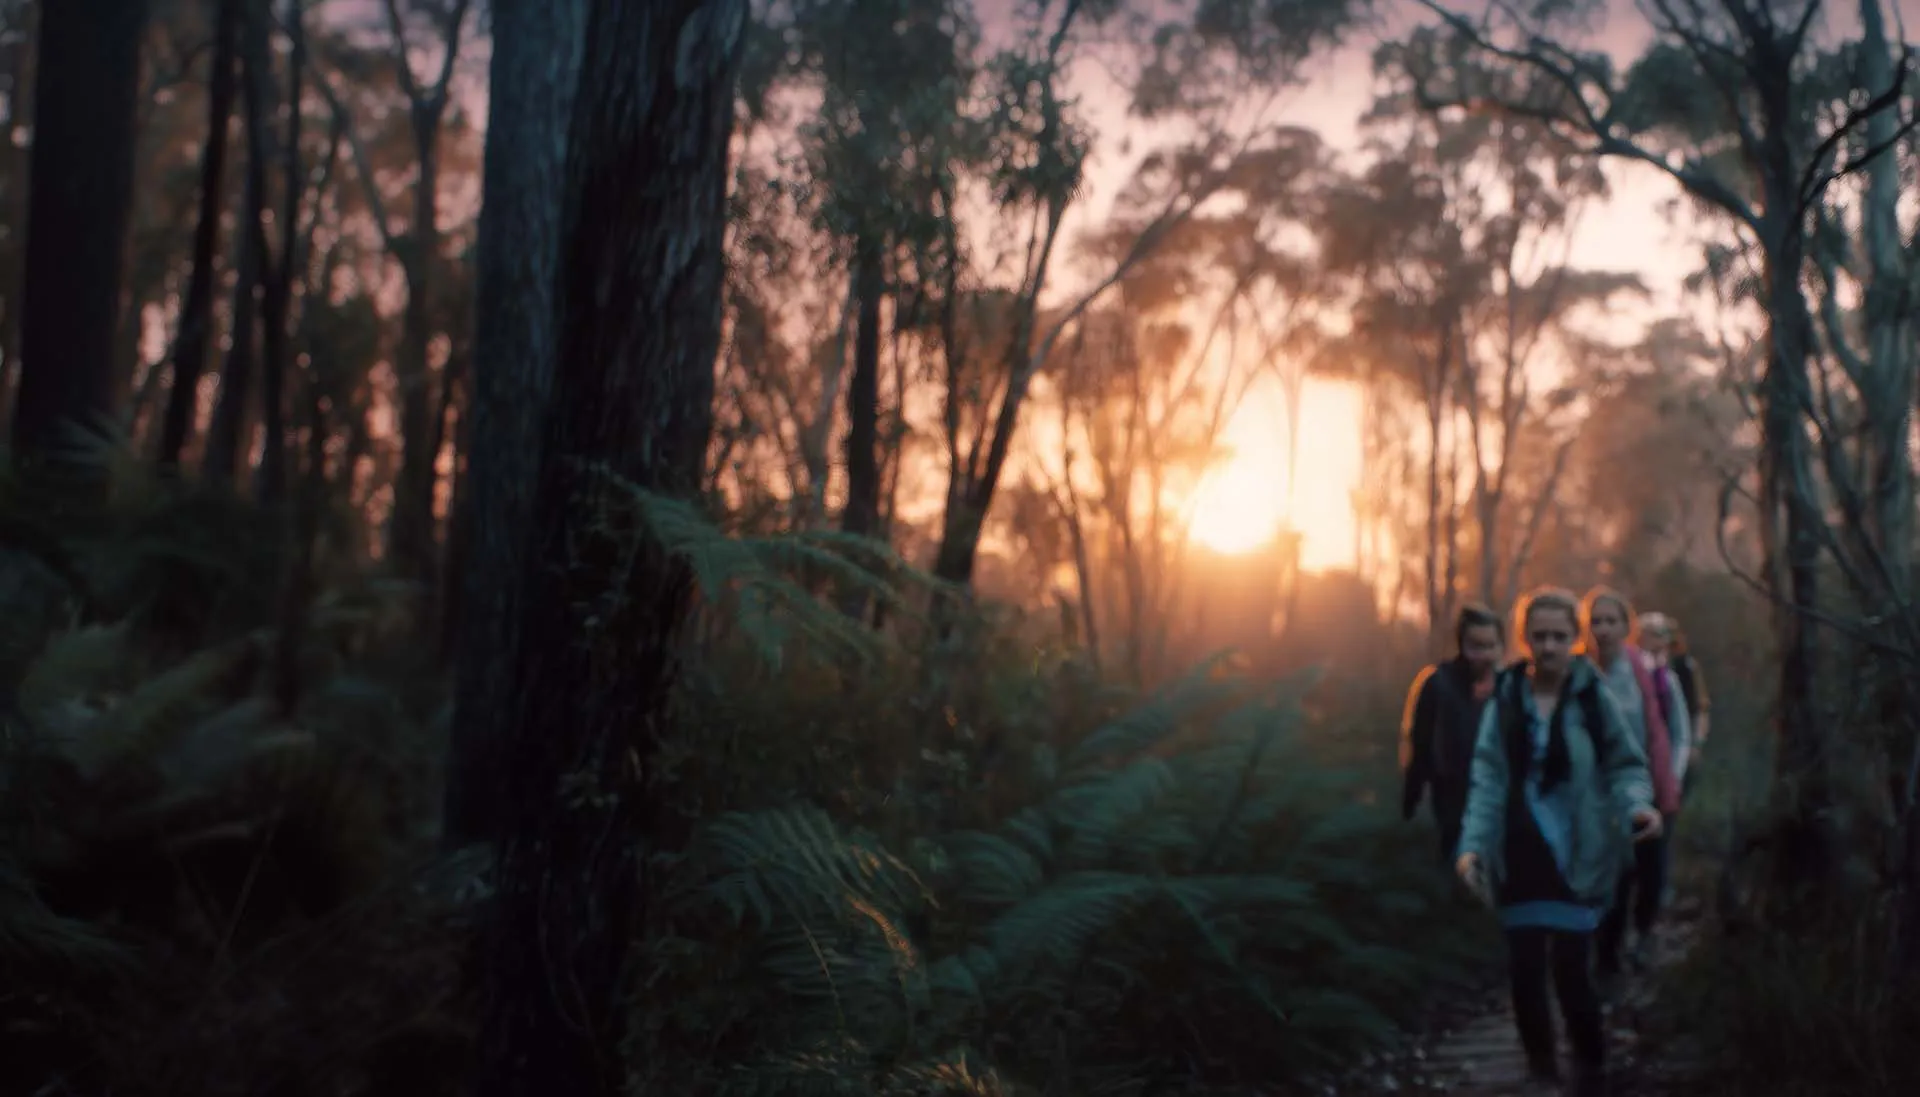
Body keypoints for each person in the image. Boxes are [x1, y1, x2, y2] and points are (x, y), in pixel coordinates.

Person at [1455, 586, 1660, 1097]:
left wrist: (1637, 805)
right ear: (1524, 638)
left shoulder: (1593, 697)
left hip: (1579, 853)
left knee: (1572, 971)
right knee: (1524, 969)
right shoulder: (1505, 698)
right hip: (1520, 853)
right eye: (1539, 636)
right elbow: (1488, 776)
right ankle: (1542, 1068)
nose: (1548, 646)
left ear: (1575, 639)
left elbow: (1625, 763)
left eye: (1559, 636)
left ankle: (1591, 1065)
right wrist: (1472, 845)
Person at [1579, 587, 1690, 980]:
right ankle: (1606, 958)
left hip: (1652, 789)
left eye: (1611, 621)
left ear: (1626, 627)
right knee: (1613, 877)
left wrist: (1670, 779)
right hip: (1599, 795)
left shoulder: (1654, 675)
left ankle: (1642, 936)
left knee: (1650, 871)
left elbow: (1678, 732)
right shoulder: (1579, 674)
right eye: (1596, 621)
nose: (1603, 629)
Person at [1401, 603, 1507, 863]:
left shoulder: (1509, 686)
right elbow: (1419, 748)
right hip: (1449, 804)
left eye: (1490, 646)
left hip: (1497, 807)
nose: (1483, 655)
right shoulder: (1437, 683)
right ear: (1461, 644)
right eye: (1475, 646)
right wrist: (1410, 806)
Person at [1638, 612, 1711, 801]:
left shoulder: (1682, 667)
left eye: (1661, 634)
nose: (1656, 640)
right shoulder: (1634, 667)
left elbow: (1698, 708)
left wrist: (1695, 744)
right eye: (1650, 634)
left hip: (1678, 744)